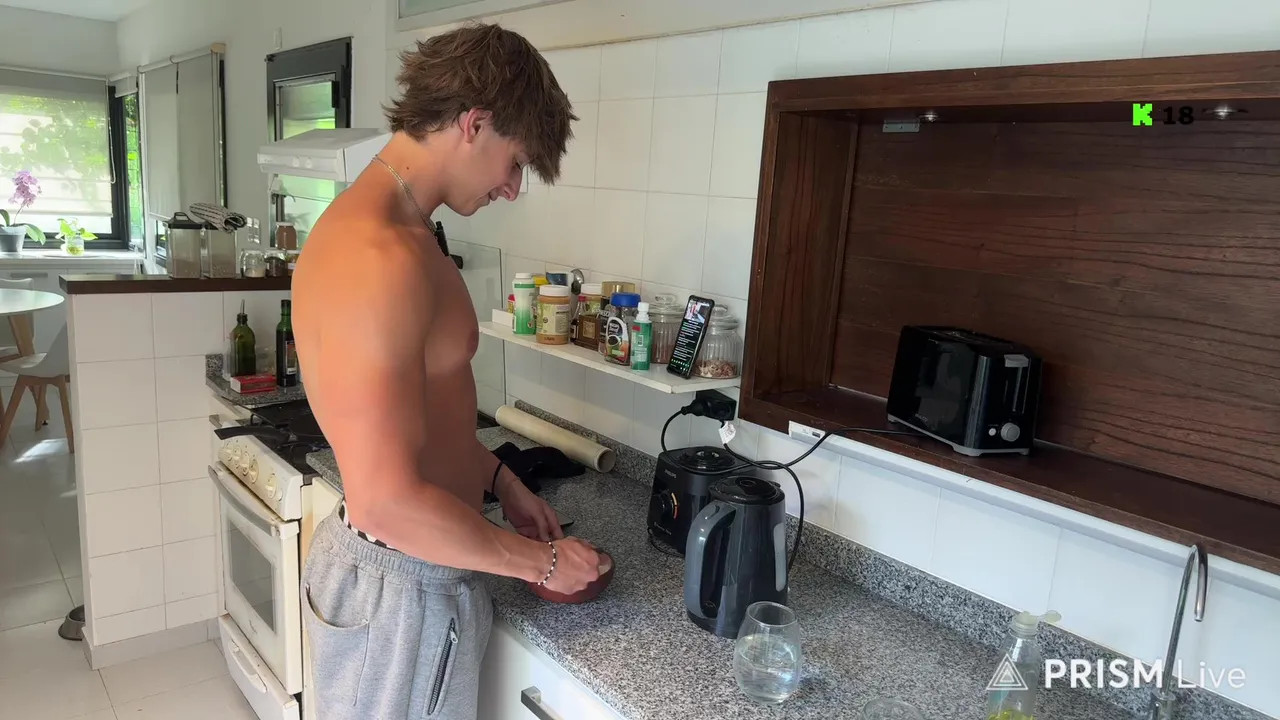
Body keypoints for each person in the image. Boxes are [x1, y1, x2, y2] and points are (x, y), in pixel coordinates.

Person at [290, 23, 602, 720]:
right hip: (400, 587)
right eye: (515, 163)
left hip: (417, 572)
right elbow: (385, 501)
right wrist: (545, 564)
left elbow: (427, 423)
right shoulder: (377, 256)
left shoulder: (407, 232)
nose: (512, 188)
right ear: (474, 124)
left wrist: (502, 481)